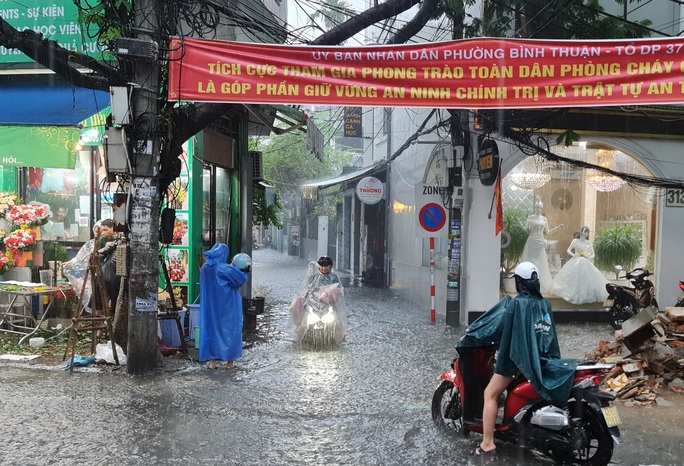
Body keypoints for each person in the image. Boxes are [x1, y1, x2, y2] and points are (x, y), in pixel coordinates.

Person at [474, 261, 579, 458]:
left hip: (519, 362)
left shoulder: (517, 303)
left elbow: (504, 333)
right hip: (542, 360)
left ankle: (487, 443)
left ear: (519, 283)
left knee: (490, 394)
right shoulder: (544, 303)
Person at [199, 244, 249, 370]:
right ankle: (230, 363)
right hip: (228, 306)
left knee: (212, 331)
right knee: (231, 331)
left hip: (210, 306)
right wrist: (233, 266)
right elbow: (241, 278)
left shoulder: (205, 268)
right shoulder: (224, 268)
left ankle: (212, 362)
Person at [551, 226, 608, 304]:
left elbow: (593, 254)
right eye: (584, 231)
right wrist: (574, 255)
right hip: (576, 261)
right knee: (573, 277)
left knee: (588, 277)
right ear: (581, 232)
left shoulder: (588, 243)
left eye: (587, 232)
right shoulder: (575, 241)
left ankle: (587, 293)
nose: (586, 233)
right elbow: (568, 250)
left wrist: (588, 256)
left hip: (585, 261)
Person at [520, 199, 563, 293]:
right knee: (530, 261)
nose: (538, 209)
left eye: (540, 208)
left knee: (541, 262)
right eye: (536, 207)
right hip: (532, 241)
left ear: (541, 208)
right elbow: (525, 229)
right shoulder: (530, 217)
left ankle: (538, 283)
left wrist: (557, 228)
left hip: (540, 241)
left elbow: (548, 231)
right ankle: (528, 283)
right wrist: (519, 223)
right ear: (534, 208)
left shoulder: (544, 219)